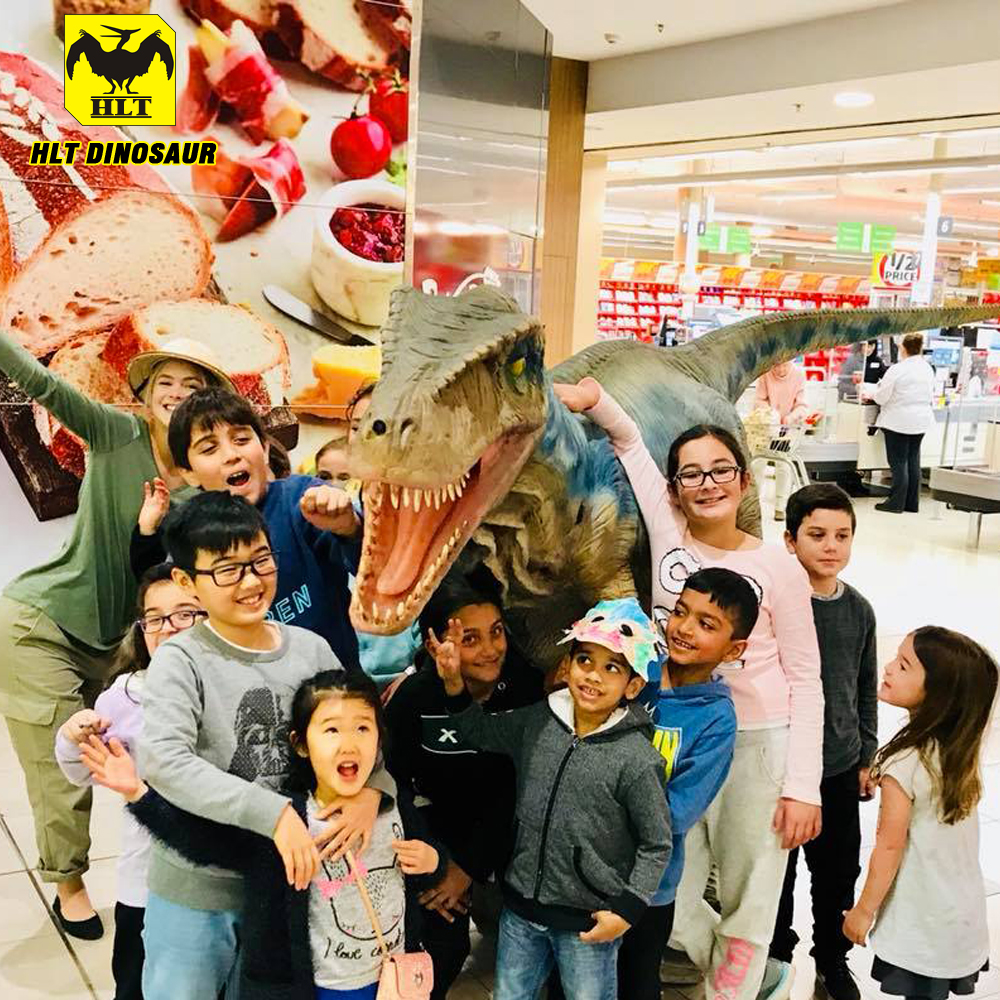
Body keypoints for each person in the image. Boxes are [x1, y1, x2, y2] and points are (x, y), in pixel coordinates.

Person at [555, 376, 823, 1000]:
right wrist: (593, 399)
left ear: (744, 480)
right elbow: (629, 443)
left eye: (721, 470)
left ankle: (735, 987)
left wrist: (802, 786)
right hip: (672, 730)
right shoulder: (670, 534)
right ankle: (759, 976)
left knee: (751, 895)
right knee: (667, 891)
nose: (708, 483)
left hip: (756, 741)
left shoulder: (778, 567)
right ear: (675, 488)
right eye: (691, 474)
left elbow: (807, 676)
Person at [0, 331, 232, 935]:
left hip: (125, 649)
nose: (176, 394)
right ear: (146, 395)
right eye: (165, 383)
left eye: (192, 385)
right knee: (61, 767)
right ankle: (68, 883)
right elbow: (42, 384)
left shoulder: (208, 482)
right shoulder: (116, 433)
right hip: (43, 624)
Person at [133, 491, 394, 1000]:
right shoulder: (180, 660)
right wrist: (273, 814)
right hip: (201, 885)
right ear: (186, 582)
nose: (251, 582)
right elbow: (164, 760)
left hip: (290, 890)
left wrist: (374, 789)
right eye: (227, 570)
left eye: (260, 561)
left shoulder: (311, 649)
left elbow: (361, 730)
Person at [82, 669, 444, 1000]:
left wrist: (432, 861)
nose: (349, 744)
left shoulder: (392, 805)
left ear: (380, 738)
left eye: (363, 728)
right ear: (300, 744)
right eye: (332, 730)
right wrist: (137, 793)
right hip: (314, 989)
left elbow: (423, 865)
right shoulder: (283, 820)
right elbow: (204, 842)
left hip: (390, 981)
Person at [434, 596, 672, 1000]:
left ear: (632, 686)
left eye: (612, 667)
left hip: (588, 919)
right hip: (520, 911)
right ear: (568, 664)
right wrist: (454, 684)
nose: (593, 675)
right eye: (585, 660)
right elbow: (479, 732)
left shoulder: (637, 759)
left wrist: (627, 910)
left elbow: (657, 843)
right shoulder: (538, 720)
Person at [385, 576, 544, 999]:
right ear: (434, 643)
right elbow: (396, 787)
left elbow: (517, 791)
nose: (490, 649)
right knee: (444, 944)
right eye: (470, 639)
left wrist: (468, 869)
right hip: (436, 835)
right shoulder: (415, 698)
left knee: (525, 941)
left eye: (496, 632)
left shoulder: (526, 688)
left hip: (507, 836)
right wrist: (439, 868)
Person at [130, 387, 364, 669]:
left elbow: (370, 568)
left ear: (264, 448)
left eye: (241, 439)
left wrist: (349, 527)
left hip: (334, 683)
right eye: (209, 448)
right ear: (188, 472)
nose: (231, 455)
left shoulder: (301, 501)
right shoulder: (190, 535)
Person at [54, 564, 206, 994]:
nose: (168, 628)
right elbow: (81, 770)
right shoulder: (125, 695)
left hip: (217, 878)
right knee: (135, 981)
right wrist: (71, 737)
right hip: (146, 879)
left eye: (184, 614)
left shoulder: (232, 686)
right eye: (154, 618)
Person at [619, 568, 753, 1000]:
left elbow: (677, 812)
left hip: (648, 888)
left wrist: (608, 803)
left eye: (706, 624)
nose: (684, 628)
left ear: (734, 649)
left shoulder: (716, 721)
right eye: (680, 612)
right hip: (585, 873)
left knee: (635, 982)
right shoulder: (635, 673)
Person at [843, 628, 998, 1000]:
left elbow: (889, 847)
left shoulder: (905, 762)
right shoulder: (960, 753)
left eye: (903, 665)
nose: (889, 668)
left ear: (938, 693)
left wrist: (863, 911)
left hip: (923, 920)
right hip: (960, 917)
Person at [768, 485, 878, 1000]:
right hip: (783, 767)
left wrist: (866, 755)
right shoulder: (772, 604)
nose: (831, 546)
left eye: (842, 535)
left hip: (838, 768)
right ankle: (774, 958)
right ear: (790, 540)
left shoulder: (859, 610)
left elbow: (865, 684)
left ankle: (832, 960)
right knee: (777, 873)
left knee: (837, 872)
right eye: (817, 535)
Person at [862, 333, 935, 514]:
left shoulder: (897, 369)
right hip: (921, 420)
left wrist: (872, 394)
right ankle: (911, 503)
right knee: (913, 460)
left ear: (903, 348)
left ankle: (895, 503)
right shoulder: (927, 368)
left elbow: (882, 397)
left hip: (898, 420)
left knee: (898, 462)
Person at [754, 360, 808, 521]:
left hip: (786, 429)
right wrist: (771, 414)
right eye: (776, 365)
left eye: (785, 365)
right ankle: (753, 504)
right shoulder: (765, 373)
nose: (781, 369)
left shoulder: (798, 375)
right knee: (757, 464)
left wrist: (791, 417)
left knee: (783, 464)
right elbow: (759, 400)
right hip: (765, 426)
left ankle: (780, 507)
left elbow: (802, 405)